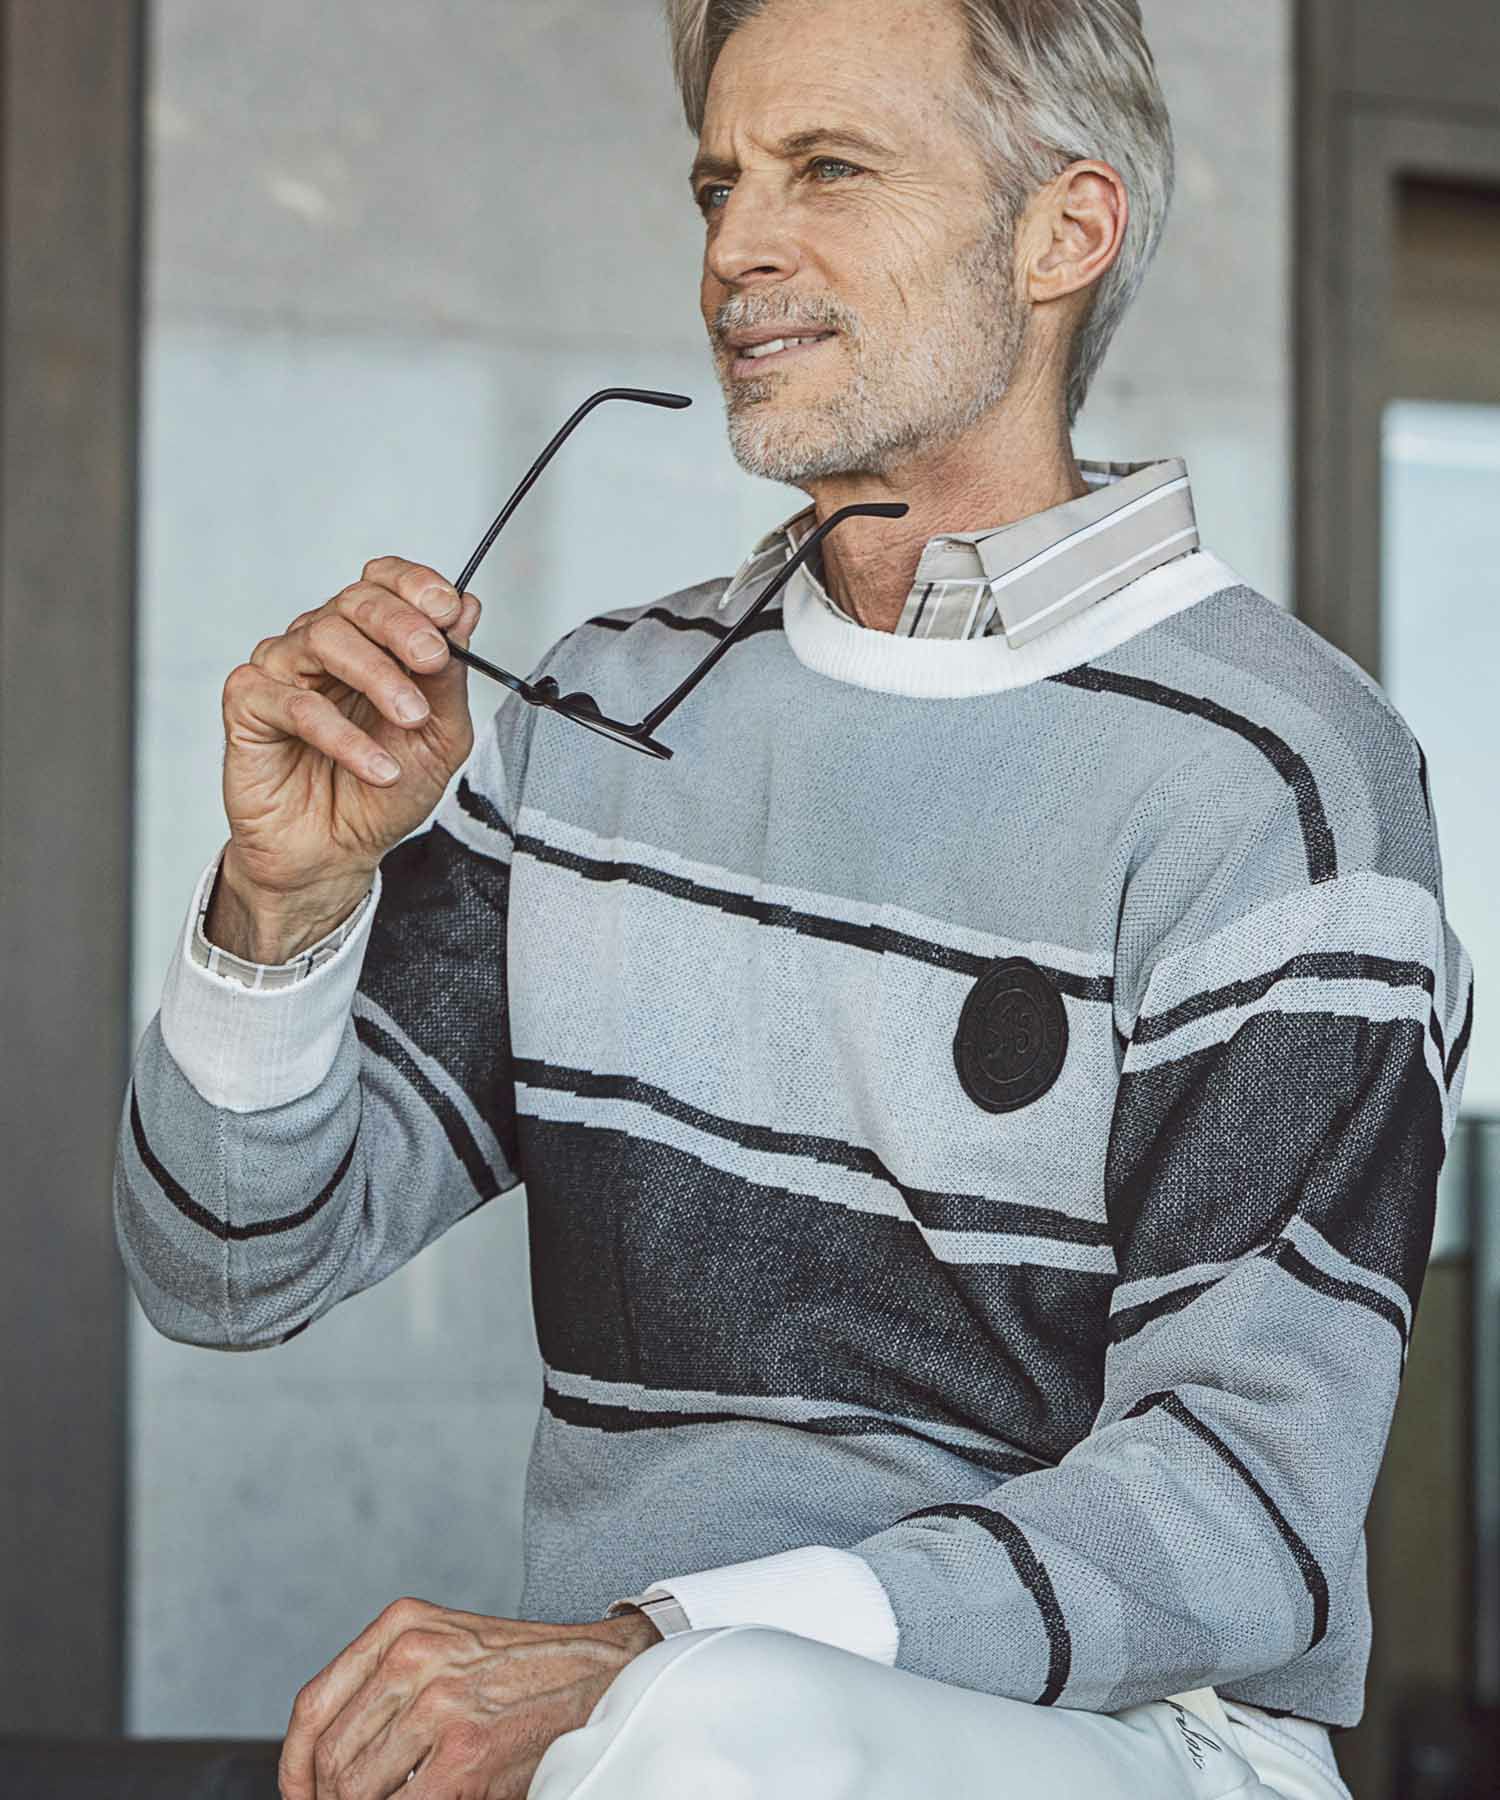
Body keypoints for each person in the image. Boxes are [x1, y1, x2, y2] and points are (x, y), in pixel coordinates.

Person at [114, 1, 1474, 1796]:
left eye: (828, 170)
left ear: (1064, 232)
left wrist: (661, 1653)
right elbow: (223, 1269)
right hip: (644, 1750)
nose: (736, 250)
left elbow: (1245, 1513)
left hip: (1136, 1740)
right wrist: (282, 906)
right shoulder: (601, 717)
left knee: (725, 1732)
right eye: (719, 185)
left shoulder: (1282, 781)